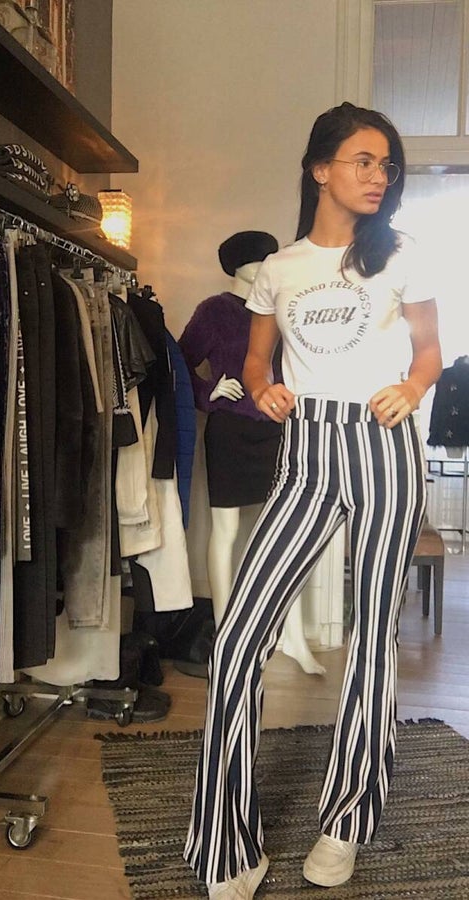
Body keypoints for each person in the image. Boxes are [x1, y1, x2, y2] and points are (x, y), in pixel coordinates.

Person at [184, 101, 442, 898]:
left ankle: (346, 823)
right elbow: (257, 363)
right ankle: (229, 841)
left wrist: (411, 387)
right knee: (237, 638)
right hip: (308, 452)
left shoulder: (400, 253)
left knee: (371, 637)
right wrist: (262, 390)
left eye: (387, 164)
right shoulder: (280, 269)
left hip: (381, 446)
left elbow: (431, 351)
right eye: (363, 160)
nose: (378, 175)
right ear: (320, 169)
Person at [179, 232, 325, 675]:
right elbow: (179, 362)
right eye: (258, 258)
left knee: (283, 533)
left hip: (277, 429)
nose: (266, 264)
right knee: (224, 530)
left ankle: (291, 636)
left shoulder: (280, 307)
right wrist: (208, 390)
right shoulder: (215, 310)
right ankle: (227, 634)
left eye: (269, 257)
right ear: (237, 265)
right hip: (229, 431)